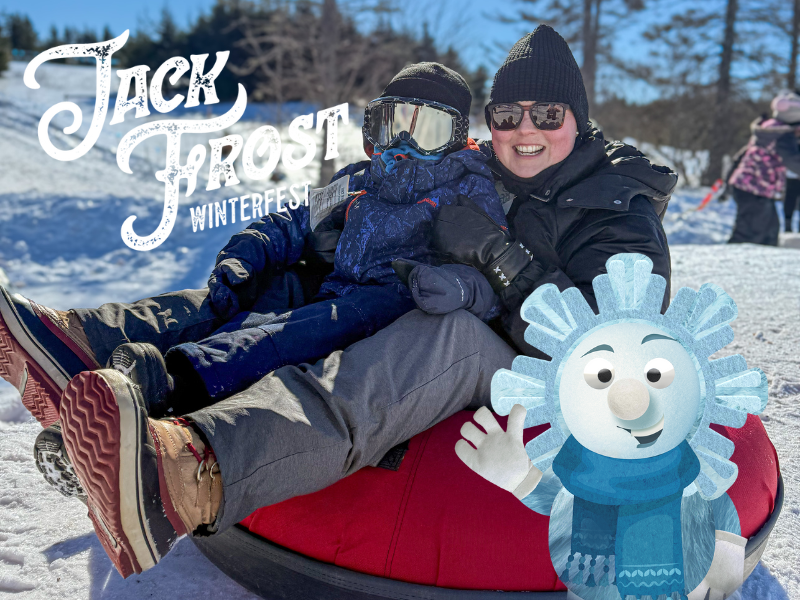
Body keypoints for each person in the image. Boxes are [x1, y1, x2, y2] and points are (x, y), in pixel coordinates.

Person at [2, 25, 682, 578]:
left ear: (579, 118)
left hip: (543, 378)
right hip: (473, 318)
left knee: (437, 332)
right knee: (274, 286)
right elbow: (335, 214)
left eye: (548, 114)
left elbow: (614, 353)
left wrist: (496, 265)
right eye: (508, 113)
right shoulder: (488, 172)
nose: (526, 128)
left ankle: (191, 470)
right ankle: (78, 352)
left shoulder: (614, 207)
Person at [727, 90, 800, 245]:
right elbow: (794, 161)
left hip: (754, 189)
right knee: (749, 233)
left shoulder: (767, 128)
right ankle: (730, 261)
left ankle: (764, 259)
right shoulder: (783, 135)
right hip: (754, 189)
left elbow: (742, 155)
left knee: (770, 232)